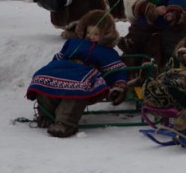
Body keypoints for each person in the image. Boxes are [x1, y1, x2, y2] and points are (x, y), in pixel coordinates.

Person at [26, 10, 128, 138]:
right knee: (43, 77)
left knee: (78, 85)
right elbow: (60, 57)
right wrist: (53, 68)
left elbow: (117, 70)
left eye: (96, 34)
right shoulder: (73, 43)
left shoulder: (107, 52)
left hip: (86, 72)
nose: (91, 36)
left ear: (106, 35)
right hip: (65, 67)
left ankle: (65, 123)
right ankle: (46, 114)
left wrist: (119, 85)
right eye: (89, 32)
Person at [119, 0, 186, 76]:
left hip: (168, 24)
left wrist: (171, 12)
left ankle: (169, 64)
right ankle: (130, 43)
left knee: (169, 42)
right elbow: (140, 8)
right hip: (151, 24)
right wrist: (151, 10)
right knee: (139, 30)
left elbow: (178, 0)